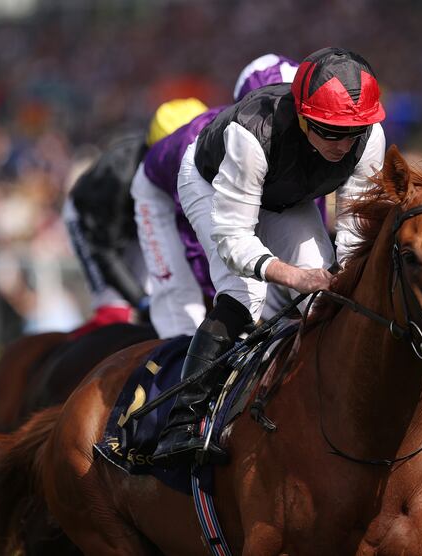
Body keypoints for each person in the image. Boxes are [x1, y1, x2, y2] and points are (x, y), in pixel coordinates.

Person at [151, 47, 387, 467]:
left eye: (353, 132)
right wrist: (293, 276)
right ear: (301, 115)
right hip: (210, 183)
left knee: (328, 296)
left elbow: (353, 238)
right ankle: (181, 425)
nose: (343, 144)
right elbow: (234, 240)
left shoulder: (369, 137)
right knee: (245, 295)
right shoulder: (251, 133)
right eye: (329, 131)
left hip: (288, 195)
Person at [131, 54, 300, 339]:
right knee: (188, 318)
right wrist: (226, 304)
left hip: (206, 186)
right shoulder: (221, 142)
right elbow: (203, 242)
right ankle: (184, 379)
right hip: (163, 192)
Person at [63, 98, 208, 337]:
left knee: (159, 307)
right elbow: (104, 249)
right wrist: (139, 299)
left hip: (138, 222)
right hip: (95, 225)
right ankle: (66, 358)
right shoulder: (118, 176)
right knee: (116, 314)